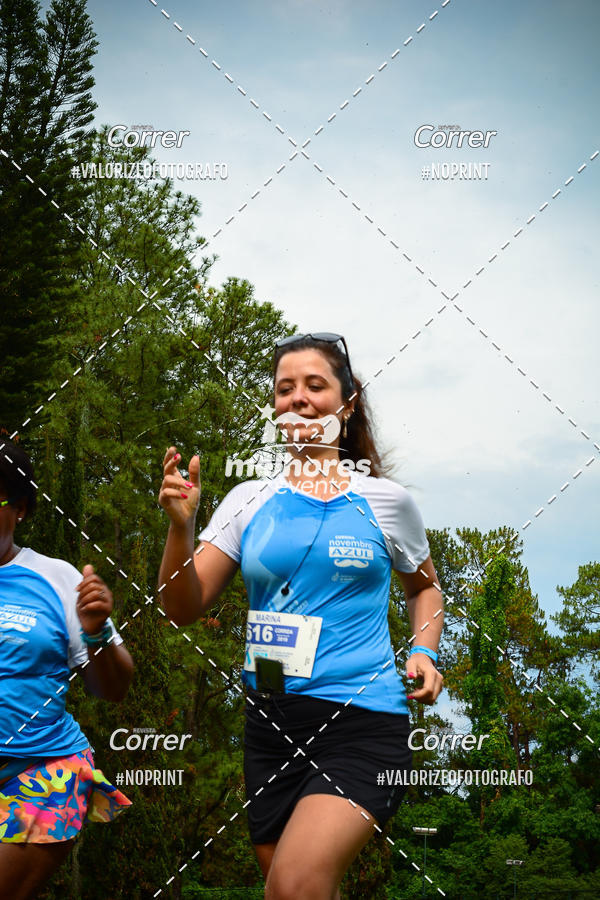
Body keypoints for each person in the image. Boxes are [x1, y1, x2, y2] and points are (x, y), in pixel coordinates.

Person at [158, 333, 444, 900]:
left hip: (362, 720)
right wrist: (179, 526)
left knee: (293, 886)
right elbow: (181, 607)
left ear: (347, 402)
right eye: (285, 389)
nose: (299, 399)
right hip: (270, 721)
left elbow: (426, 591)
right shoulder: (247, 500)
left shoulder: (386, 503)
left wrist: (423, 651)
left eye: (315, 385)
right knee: (299, 890)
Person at [0, 440, 134, 900]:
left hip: (43, 770)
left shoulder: (56, 579)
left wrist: (95, 632)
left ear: (19, 508)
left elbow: (112, 688)